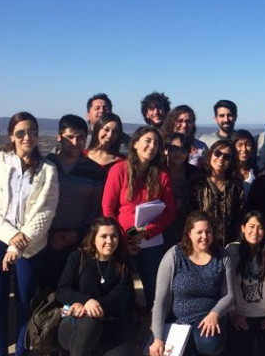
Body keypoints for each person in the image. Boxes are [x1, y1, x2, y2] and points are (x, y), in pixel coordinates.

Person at [0, 112, 59, 356]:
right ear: (11, 135)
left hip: (30, 244)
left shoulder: (47, 170)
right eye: (20, 132)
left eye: (32, 132)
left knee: (24, 301)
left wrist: (20, 242)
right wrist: (11, 238)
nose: (27, 137)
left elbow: (46, 211)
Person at [149, 212, 234, 356]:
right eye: (199, 232)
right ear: (189, 233)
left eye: (208, 232)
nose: (205, 237)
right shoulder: (174, 255)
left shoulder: (222, 256)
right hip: (179, 322)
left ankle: (207, 352)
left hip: (207, 319)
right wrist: (158, 337)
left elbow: (229, 295)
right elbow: (161, 300)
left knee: (210, 344)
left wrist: (215, 313)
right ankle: (191, 354)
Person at [56, 217, 136, 356]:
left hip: (108, 323)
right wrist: (85, 302)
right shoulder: (78, 258)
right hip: (74, 324)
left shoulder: (122, 264)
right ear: (93, 238)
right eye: (104, 236)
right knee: (89, 321)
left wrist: (93, 305)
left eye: (114, 236)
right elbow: (62, 290)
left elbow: (118, 299)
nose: (109, 241)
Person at [102, 125, 176, 308]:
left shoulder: (162, 174)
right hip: (120, 240)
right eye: (148, 141)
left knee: (155, 290)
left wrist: (145, 233)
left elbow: (170, 211)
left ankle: (154, 329)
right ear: (135, 144)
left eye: (156, 143)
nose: (152, 146)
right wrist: (124, 239)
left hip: (150, 241)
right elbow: (108, 209)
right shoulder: (119, 170)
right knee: (121, 289)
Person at [41, 114, 105, 292]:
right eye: (70, 137)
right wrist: (49, 235)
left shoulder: (94, 170)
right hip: (46, 239)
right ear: (59, 137)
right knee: (46, 291)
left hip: (79, 240)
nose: (76, 142)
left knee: (75, 292)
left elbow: (97, 207)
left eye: (81, 137)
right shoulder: (45, 165)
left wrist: (77, 233)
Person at [225, 212, 265, 356]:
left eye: (260, 228)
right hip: (242, 315)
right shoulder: (232, 250)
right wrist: (233, 314)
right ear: (243, 228)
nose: (255, 232)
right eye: (251, 227)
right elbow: (227, 286)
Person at [186, 139, 246, 248]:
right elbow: (189, 214)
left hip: (229, 245)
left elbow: (240, 215)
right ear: (210, 155)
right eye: (217, 153)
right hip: (201, 243)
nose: (221, 158)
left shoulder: (235, 185)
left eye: (227, 157)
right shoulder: (198, 182)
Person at [162, 133, 200, 248]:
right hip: (161, 226)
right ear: (166, 150)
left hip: (186, 227)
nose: (178, 154)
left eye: (183, 150)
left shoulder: (194, 173)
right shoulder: (157, 171)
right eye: (174, 149)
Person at [231, 129, 258, 197]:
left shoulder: (256, 172)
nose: (244, 149)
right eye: (240, 145)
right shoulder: (227, 171)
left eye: (248, 145)